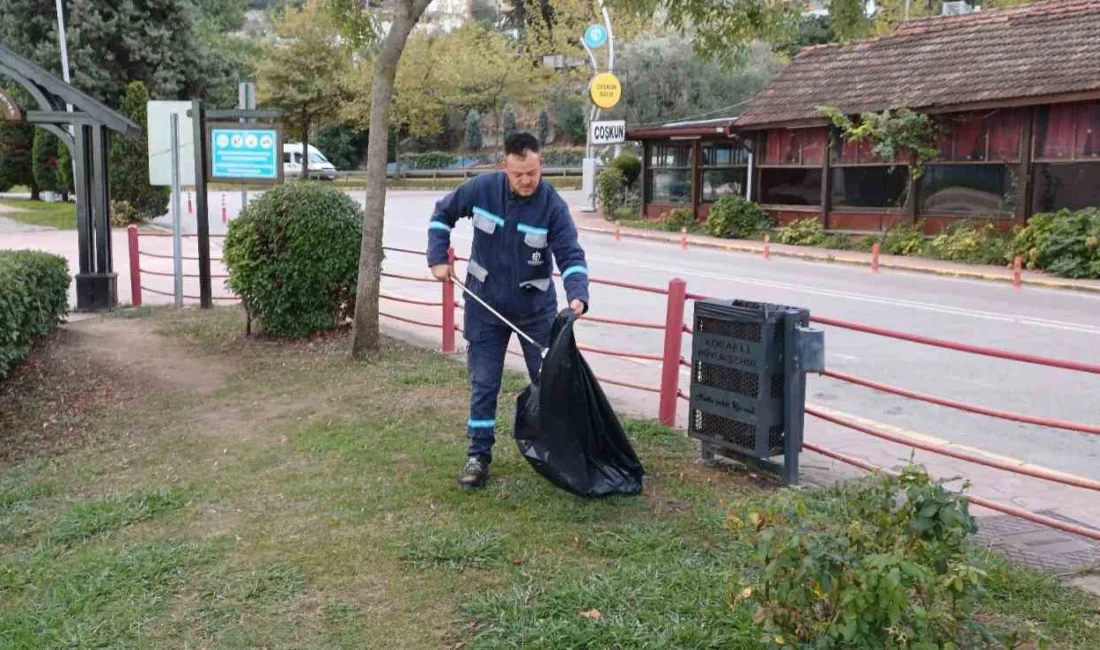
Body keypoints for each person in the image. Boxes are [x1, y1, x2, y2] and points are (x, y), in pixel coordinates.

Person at [427, 132, 590, 490]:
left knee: (547, 384)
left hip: (535, 311)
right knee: (484, 384)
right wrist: (438, 257)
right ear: (505, 168)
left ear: (541, 165)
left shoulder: (552, 206)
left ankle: (558, 453)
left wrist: (578, 295)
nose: (526, 180)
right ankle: (478, 457)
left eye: (532, 172)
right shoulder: (482, 190)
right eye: (518, 174)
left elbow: (571, 255)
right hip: (484, 306)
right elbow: (442, 215)